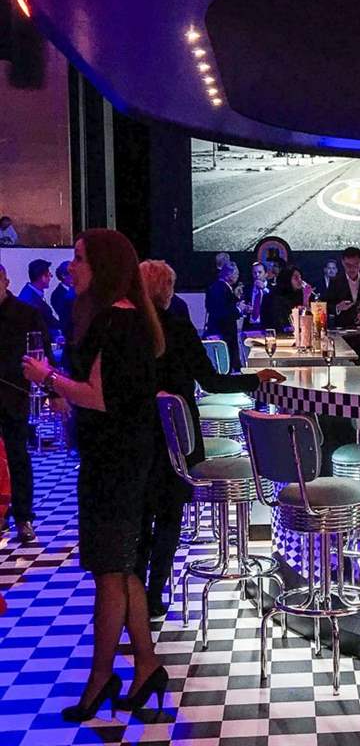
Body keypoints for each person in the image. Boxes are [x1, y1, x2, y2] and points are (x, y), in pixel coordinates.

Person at [22, 229, 166, 721]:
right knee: (121, 569)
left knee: (110, 570)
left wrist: (48, 378)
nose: (72, 266)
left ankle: (101, 677)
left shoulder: (115, 320)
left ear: (102, 266)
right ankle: (146, 665)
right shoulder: (125, 316)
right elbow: (105, 396)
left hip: (116, 462)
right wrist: (65, 394)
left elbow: (100, 397)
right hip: (121, 456)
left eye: (80, 258)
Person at [137, 260, 285, 617]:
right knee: (169, 516)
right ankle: (153, 595)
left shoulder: (127, 330)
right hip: (178, 440)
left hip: (138, 437)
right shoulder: (177, 326)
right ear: (166, 290)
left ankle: (134, 594)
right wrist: (256, 380)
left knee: (141, 519)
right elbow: (213, 381)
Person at [0, 263, 50, 543]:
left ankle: (23, 517)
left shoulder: (25, 314)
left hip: (12, 394)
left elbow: (43, 353)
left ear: (5, 282)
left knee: (17, 456)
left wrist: (53, 391)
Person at [204, 261, 248, 372]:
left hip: (219, 330)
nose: (238, 276)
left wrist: (236, 299)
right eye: (236, 274)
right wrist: (239, 309)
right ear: (229, 274)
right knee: (225, 364)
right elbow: (223, 312)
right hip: (224, 333)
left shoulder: (215, 287)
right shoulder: (222, 289)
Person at [325, 246, 360, 328]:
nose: (352, 269)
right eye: (348, 265)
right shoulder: (335, 281)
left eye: (355, 264)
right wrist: (338, 307)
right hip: (343, 328)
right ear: (343, 263)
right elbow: (327, 306)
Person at [18, 258, 61, 338]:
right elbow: (38, 328)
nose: (50, 277)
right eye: (48, 274)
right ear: (41, 277)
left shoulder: (32, 293)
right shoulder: (29, 299)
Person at [266, 264, 315, 331]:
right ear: (287, 279)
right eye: (296, 278)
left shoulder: (301, 294)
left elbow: (307, 322)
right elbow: (282, 324)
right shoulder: (276, 297)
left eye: (300, 277)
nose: (300, 281)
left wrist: (306, 297)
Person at [51, 260, 76, 340]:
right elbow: (64, 314)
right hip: (68, 333)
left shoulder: (79, 289)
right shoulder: (56, 294)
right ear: (63, 275)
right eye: (72, 273)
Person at [244, 261, 270, 329]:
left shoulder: (272, 289)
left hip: (266, 326)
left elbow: (274, 301)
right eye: (254, 273)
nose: (257, 275)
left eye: (260, 272)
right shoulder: (247, 288)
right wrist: (245, 308)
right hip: (249, 326)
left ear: (266, 274)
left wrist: (264, 289)